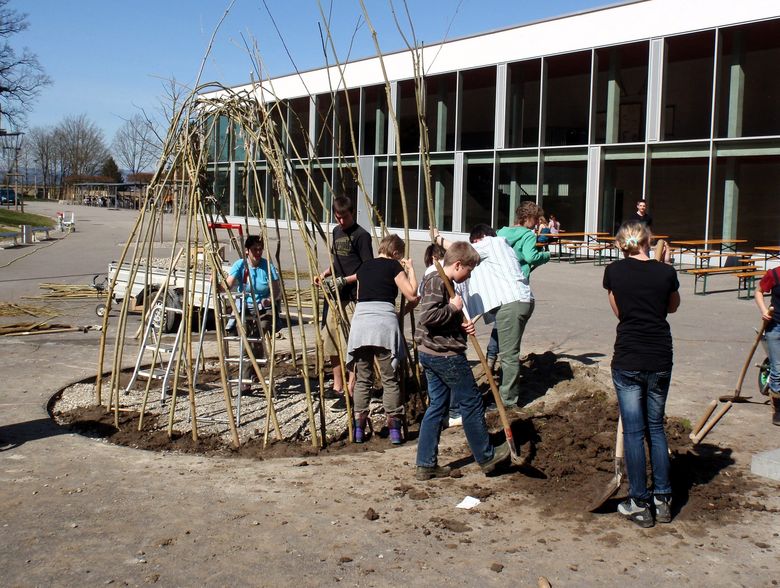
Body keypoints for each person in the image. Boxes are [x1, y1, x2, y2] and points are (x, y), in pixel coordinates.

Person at [603, 221, 680, 528]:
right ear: (649, 240)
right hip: (660, 355)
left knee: (634, 432)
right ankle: (663, 500)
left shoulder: (614, 272)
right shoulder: (666, 272)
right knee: (656, 428)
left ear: (622, 244)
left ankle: (639, 502)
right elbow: (671, 308)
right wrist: (664, 274)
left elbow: (620, 313)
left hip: (629, 357)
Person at [414, 241, 510, 480]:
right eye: (468, 270)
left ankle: (426, 464)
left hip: (431, 352)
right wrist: (453, 308)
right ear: (457, 264)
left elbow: (440, 316)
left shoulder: (439, 279)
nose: (468, 276)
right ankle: (487, 457)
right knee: (471, 402)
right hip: (445, 355)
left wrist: (460, 323)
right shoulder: (437, 281)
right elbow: (428, 316)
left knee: (437, 406)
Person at [346, 234, 419, 444]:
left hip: (361, 326)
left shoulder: (363, 267)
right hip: (383, 327)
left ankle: (359, 428)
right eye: (400, 256)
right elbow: (412, 294)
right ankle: (395, 429)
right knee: (389, 378)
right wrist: (411, 269)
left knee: (363, 378)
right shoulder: (394, 267)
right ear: (395, 253)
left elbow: (361, 296)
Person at [314, 196, 374, 411]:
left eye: (345, 217)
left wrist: (344, 281)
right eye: (337, 217)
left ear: (352, 213)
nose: (341, 221)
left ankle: (351, 388)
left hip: (351, 297)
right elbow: (336, 261)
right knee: (330, 339)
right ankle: (337, 385)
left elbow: (367, 270)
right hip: (334, 297)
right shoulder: (336, 232)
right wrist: (325, 274)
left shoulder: (362, 236)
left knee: (350, 344)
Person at [224, 235, 281, 393]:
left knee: (260, 331)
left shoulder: (267, 267)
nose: (258, 252)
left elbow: (277, 290)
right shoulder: (240, 265)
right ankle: (248, 378)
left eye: (260, 249)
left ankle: (252, 373)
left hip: (264, 307)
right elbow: (228, 285)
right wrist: (218, 285)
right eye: (254, 249)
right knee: (249, 339)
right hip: (246, 307)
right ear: (247, 250)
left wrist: (270, 300)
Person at [754, 267, 780, 426]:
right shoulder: (775, 274)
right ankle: (778, 410)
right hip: (776, 326)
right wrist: (764, 310)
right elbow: (759, 291)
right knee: (778, 368)